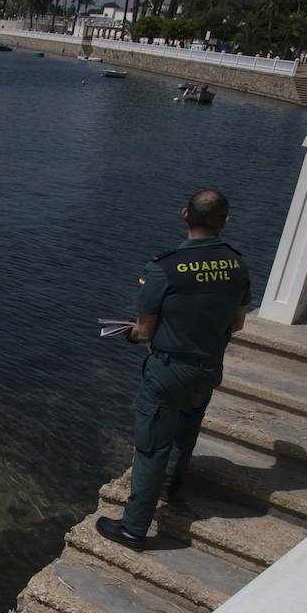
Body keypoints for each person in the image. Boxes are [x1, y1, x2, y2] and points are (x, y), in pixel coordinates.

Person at [97, 189, 252, 552]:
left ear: (185, 215)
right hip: (210, 365)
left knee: (151, 446)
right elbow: (239, 324)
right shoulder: (238, 265)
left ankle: (134, 529)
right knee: (187, 427)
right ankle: (170, 484)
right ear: (225, 222)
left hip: (169, 368)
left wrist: (129, 335)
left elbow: (144, 331)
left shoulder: (164, 267)